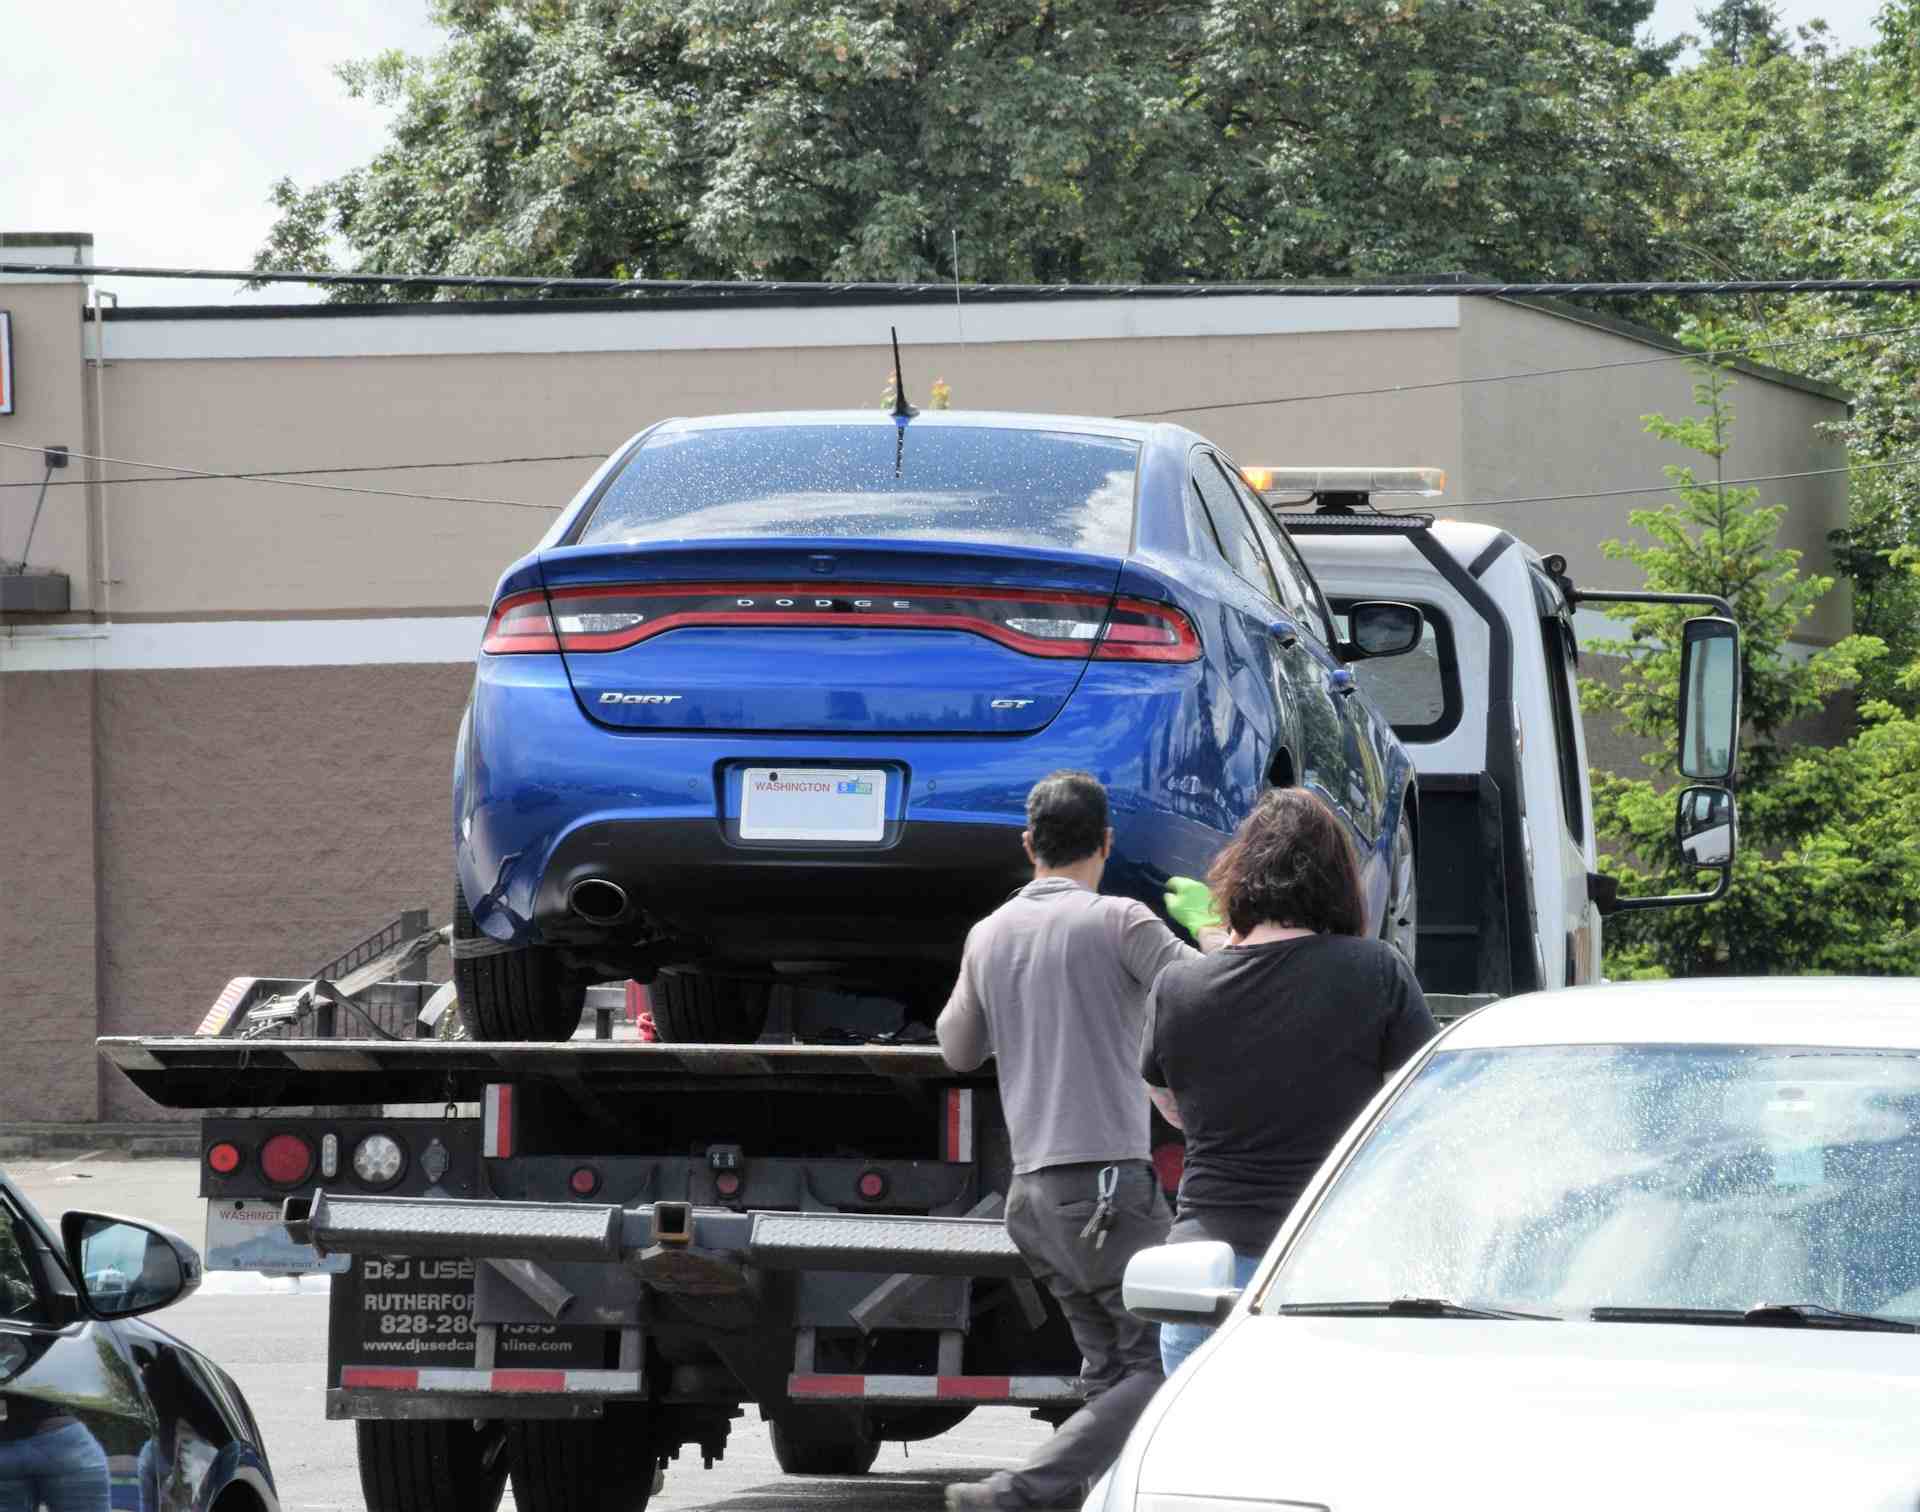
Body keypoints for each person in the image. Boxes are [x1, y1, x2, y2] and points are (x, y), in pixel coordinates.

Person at [936, 771, 1224, 1511]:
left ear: (1029, 844)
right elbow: (1214, 997)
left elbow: (958, 1050)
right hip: (1107, 1193)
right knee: (1165, 1363)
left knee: (1109, 1371)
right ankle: (1013, 1492)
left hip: (1031, 1200)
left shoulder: (988, 933)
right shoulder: (1121, 920)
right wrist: (1213, 929)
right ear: (1106, 842)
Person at [1147, 787, 1437, 1376]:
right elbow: (1420, 1106)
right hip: (1333, 1272)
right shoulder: (1374, 972)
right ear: (1336, 883)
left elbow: (1171, 1108)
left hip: (1203, 1277)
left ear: (1239, 879)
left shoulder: (1176, 990)